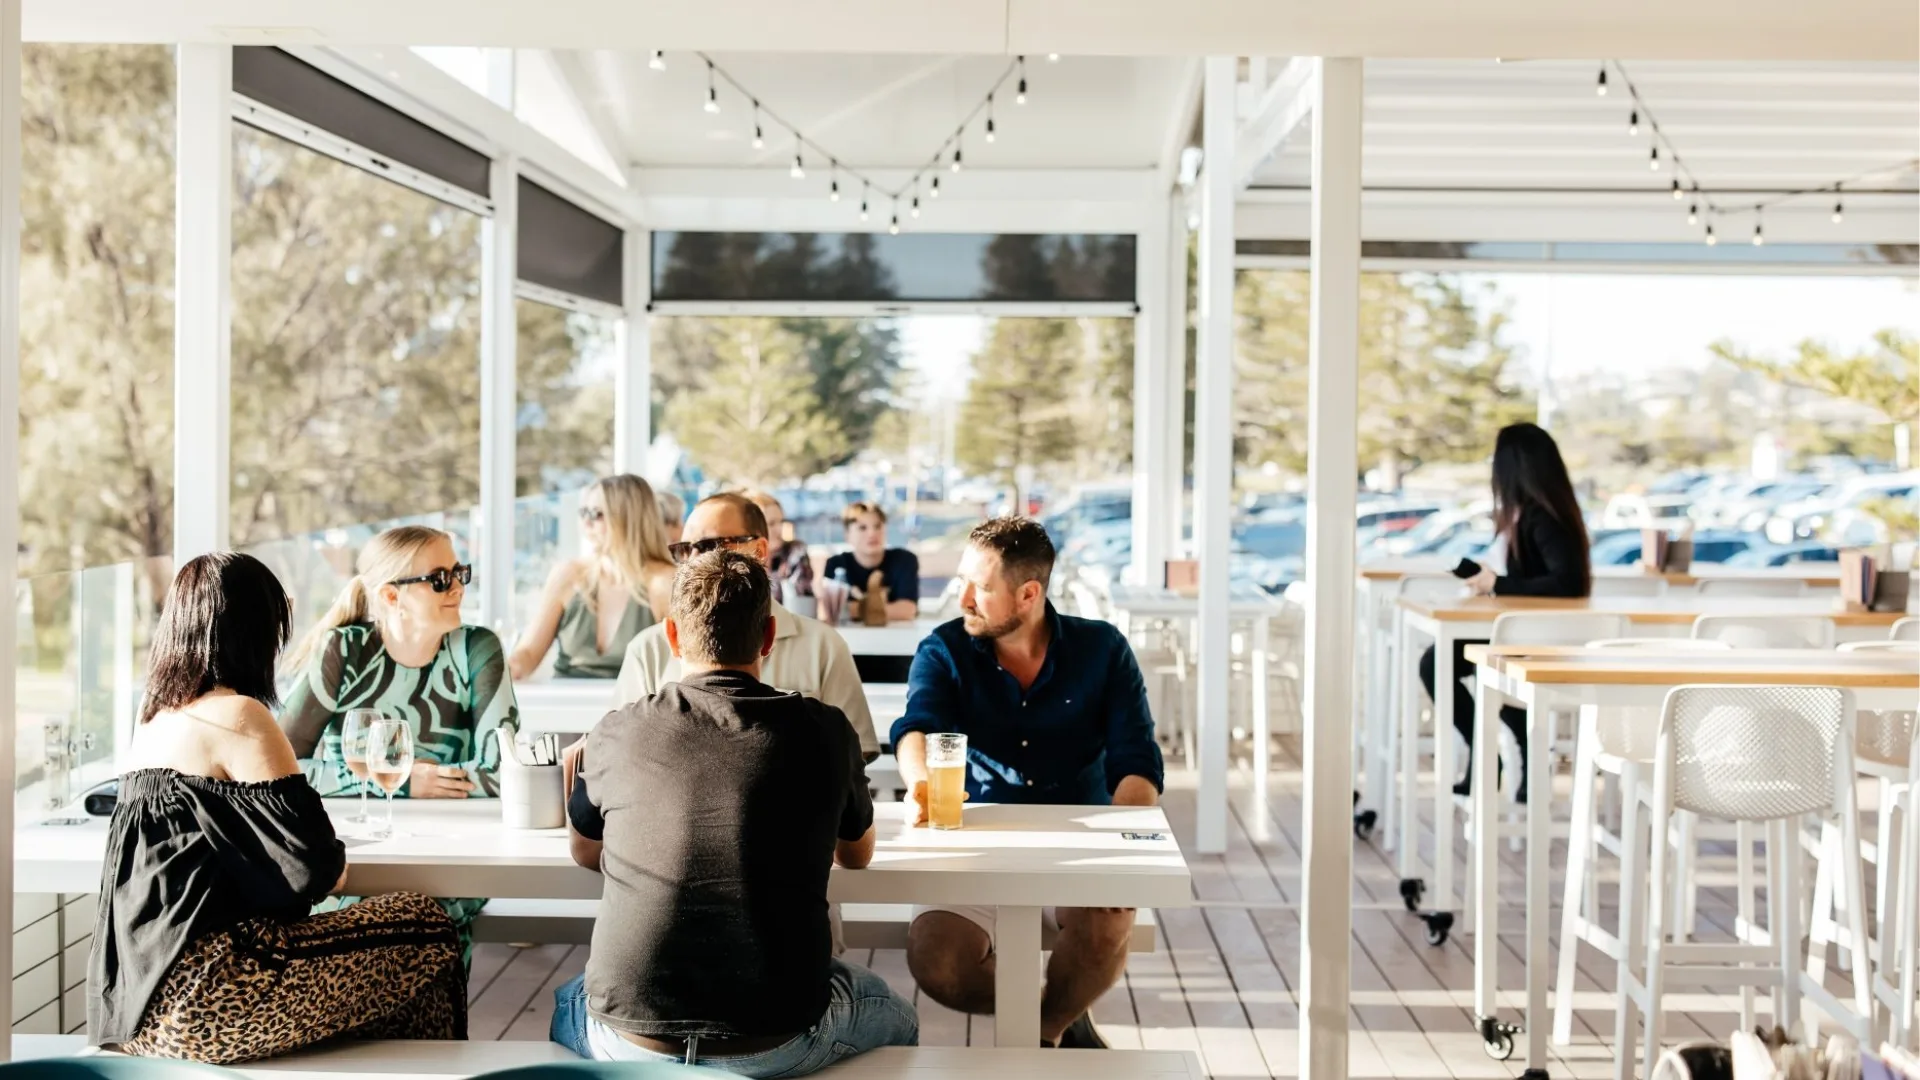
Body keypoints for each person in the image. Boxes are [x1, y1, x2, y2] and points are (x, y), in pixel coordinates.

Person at [550, 551, 918, 1074]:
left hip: (629, 1039)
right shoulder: (826, 731)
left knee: (571, 998)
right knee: (895, 1013)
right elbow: (856, 856)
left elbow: (585, 850)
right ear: (768, 638)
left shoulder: (615, 730)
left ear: (672, 637)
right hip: (779, 1037)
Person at [91, 553, 465, 1064]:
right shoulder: (239, 714)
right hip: (212, 998)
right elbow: (316, 869)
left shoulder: (153, 719)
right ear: (256, 630)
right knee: (428, 927)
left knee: (386, 949)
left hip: (133, 1011)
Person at [891, 516, 1164, 1049]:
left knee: (1109, 925)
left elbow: (1137, 763)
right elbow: (916, 727)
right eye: (963, 582)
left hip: (1079, 843)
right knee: (935, 960)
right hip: (978, 839)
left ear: (1028, 594)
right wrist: (921, 783)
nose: (965, 598)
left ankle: (1044, 1031)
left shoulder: (1103, 650)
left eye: (983, 588)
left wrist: (1122, 858)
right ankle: (1063, 1007)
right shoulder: (944, 649)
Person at [280, 524, 516, 944]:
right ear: (392, 596)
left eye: (460, 573)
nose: (457, 588)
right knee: (351, 914)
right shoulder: (344, 652)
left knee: (426, 916)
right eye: (440, 579)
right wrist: (406, 780)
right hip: (355, 852)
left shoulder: (477, 649)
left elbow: (504, 770)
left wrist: (381, 778)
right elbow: (281, 772)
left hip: (454, 853)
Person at [617, 493, 878, 760]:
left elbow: (856, 753)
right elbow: (624, 752)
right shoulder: (648, 649)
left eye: (711, 545)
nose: (695, 560)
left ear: (760, 550)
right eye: (685, 549)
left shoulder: (823, 646)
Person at [1418, 421, 1592, 803]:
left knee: (1438, 663)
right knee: (1443, 662)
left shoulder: (1542, 516)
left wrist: (1498, 584)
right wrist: (1491, 581)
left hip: (1542, 637)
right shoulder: (1534, 512)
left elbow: (1569, 583)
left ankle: (1492, 756)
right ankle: (1508, 751)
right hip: (1530, 631)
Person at [509, 474, 678, 680]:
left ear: (629, 517)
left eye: (596, 514)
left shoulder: (664, 582)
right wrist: (496, 668)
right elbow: (527, 655)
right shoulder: (568, 575)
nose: (586, 523)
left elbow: (684, 668)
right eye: (583, 513)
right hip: (565, 706)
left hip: (636, 708)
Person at [823, 502, 919, 621]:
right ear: (847, 535)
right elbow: (830, 611)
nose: (872, 533)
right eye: (862, 528)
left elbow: (907, 610)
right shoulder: (836, 565)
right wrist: (881, 610)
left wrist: (854, 609)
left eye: (878, 526)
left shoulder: (904, 560)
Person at [743, 488, 814, 605]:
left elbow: (801, 602)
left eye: (781, 521)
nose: (780, 529)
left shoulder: (795, 552)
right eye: (771, 523)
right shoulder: (740, 562)